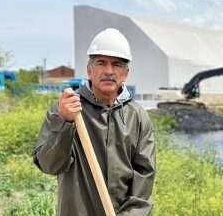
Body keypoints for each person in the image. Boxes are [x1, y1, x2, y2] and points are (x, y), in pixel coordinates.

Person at [33, 28, 156, 216]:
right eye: (101, 63)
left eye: (116, 64)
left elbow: (144, 178)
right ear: (89, 70)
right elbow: (49, 166)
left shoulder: (137, 117)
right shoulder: (67, 111)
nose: (109, 71)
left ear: (125, 74)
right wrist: (64, 123)